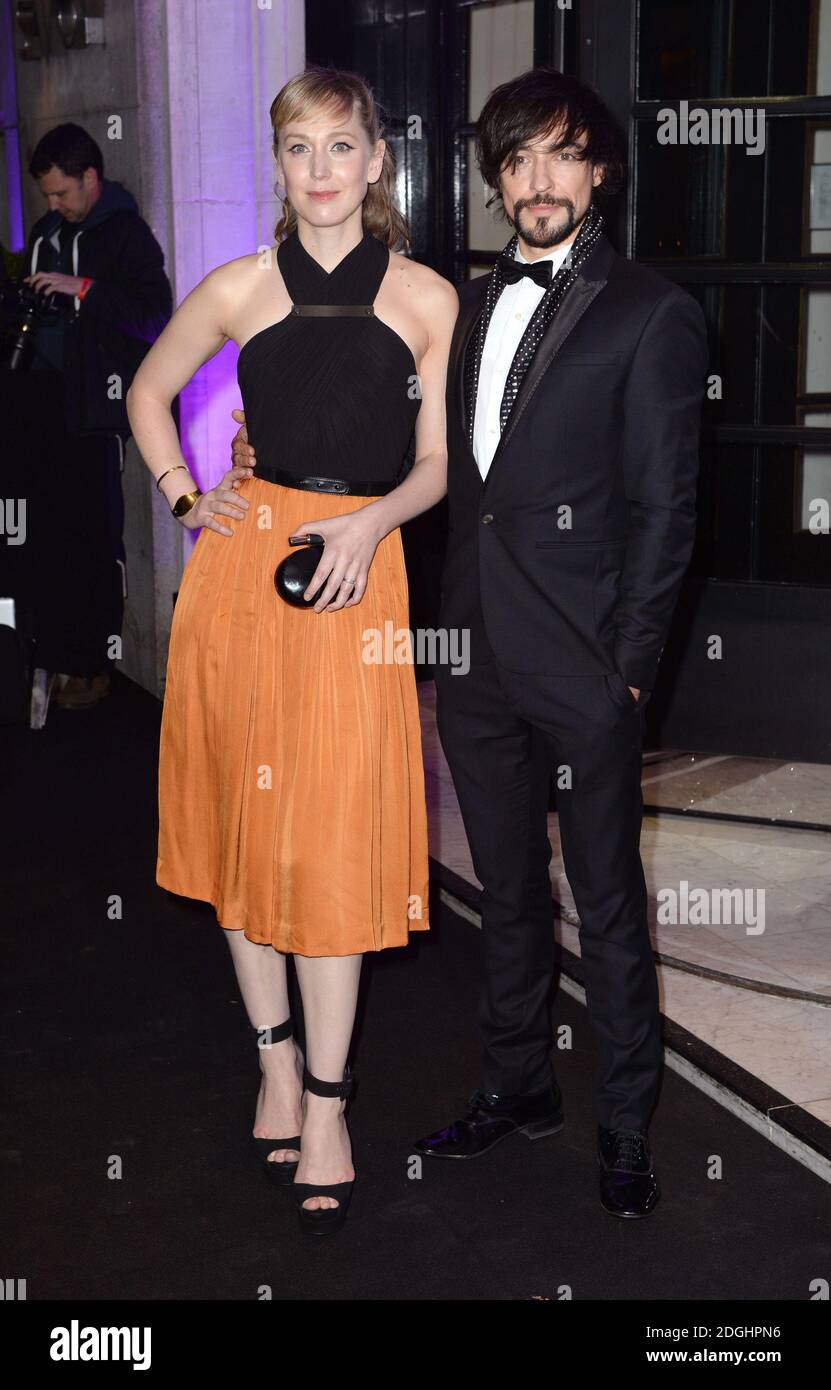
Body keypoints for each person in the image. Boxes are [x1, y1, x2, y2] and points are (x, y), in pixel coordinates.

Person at [127, 65, 456, 1235]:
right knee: (240, 825)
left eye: (340, 148)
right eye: (298, 149)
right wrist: (183, 495)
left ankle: (329, 1098)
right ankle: (273, 1060)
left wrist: (371, 522)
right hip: (242, 574)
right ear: (280, 166)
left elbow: (434, 464)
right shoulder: (239, 285)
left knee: (328, 840)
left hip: (359, 574)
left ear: (378, 163)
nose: (319, 170)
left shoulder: (426, 297)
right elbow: (149, 391)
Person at [411, 68, 708, 1217]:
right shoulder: (472, 304)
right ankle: (518, 1085)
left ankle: (626, 1125)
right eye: (516, 159)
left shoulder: (651, 311)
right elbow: (463, 481)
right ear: (497, 178)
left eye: (559, 156)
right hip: (478, 659)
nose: (536, 181)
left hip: (585, 665)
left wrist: (630, 669)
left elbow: (666, 512)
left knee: (609, 902)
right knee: (506, 893)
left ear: (600, 171)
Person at [19, 123, 172, 710]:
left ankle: (93, 666)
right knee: (51, 540)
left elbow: (154, 317)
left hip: (96, 410)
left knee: (93, 541)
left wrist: (83, 288)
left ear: (90, 178)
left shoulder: (125, 233)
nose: (53, 205)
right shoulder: (46, 231)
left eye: (61, 193)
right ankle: (53, 657)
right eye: (47, 196)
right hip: (42, 405)